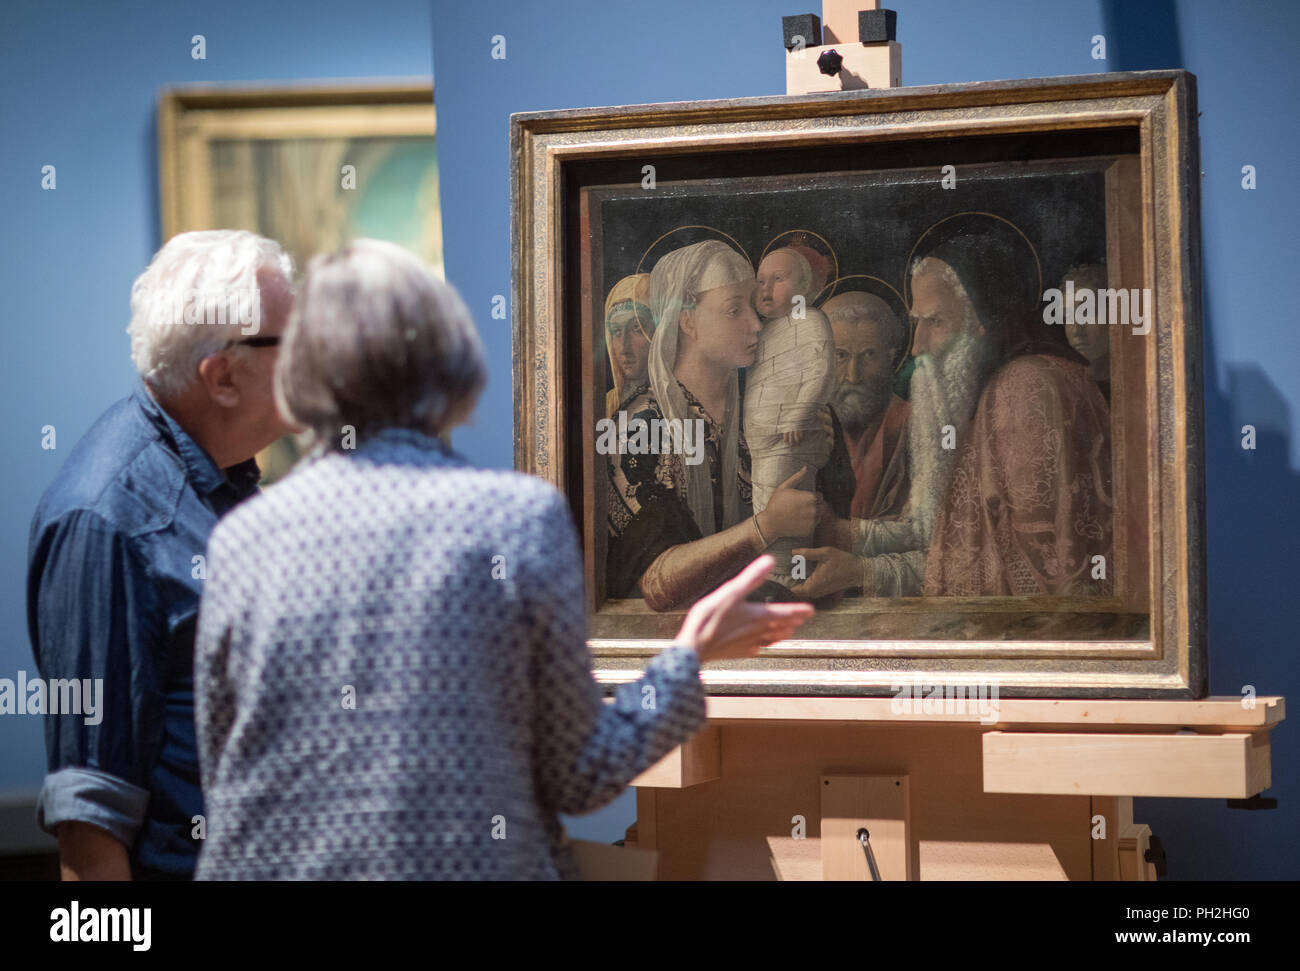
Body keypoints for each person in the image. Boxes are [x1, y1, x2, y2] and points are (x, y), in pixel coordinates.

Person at [192, 239, 813, 880]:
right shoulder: (512, 522)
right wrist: (687, 660)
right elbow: (581, 772)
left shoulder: (241, 541)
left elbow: (226, 773)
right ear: (452, 366)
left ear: (298, 376)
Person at [27, 230, 296, 879]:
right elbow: (90, 822)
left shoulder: (221, 476)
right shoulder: (105, 521)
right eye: (294, 343)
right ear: (223, 375)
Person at [797, 222, 1113, 598]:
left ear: (983, 319)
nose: (917, 348)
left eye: (934, 322)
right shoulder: (994, 387)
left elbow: (1019, 576)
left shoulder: (1027, 389)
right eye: (917, 323)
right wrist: (849, 534)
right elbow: (944, 532)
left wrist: (866, 571)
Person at [604, 239, 820, 610]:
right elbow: (657, 584)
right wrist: (766, 526)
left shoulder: (762, 412)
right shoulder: (641, 425)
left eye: (753, 307)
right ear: (687, 321)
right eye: (734, 311)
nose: (756, 325)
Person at [744, 247, 836, 587]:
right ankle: (771, 578)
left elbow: (821, 371)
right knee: (765, 511)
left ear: (805, 285)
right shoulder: (764, 330)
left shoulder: (811, 321)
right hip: (762, 443)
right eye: (760, 281)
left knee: (786, 511)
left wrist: (798, 414)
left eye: (778, 280)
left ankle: (788, 580)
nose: (766, 289)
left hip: (790, 440)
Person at [821, 289, 911, 521]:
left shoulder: (917, 427)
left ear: (890, 357)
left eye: (869, 354)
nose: (853, 376)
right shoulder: (809, 424)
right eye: (841, 356)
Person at [603, 273, 654, 418]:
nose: (624, 348)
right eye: (616, 331)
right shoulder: (605, 407)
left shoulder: (682, 404)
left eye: (636, 328)